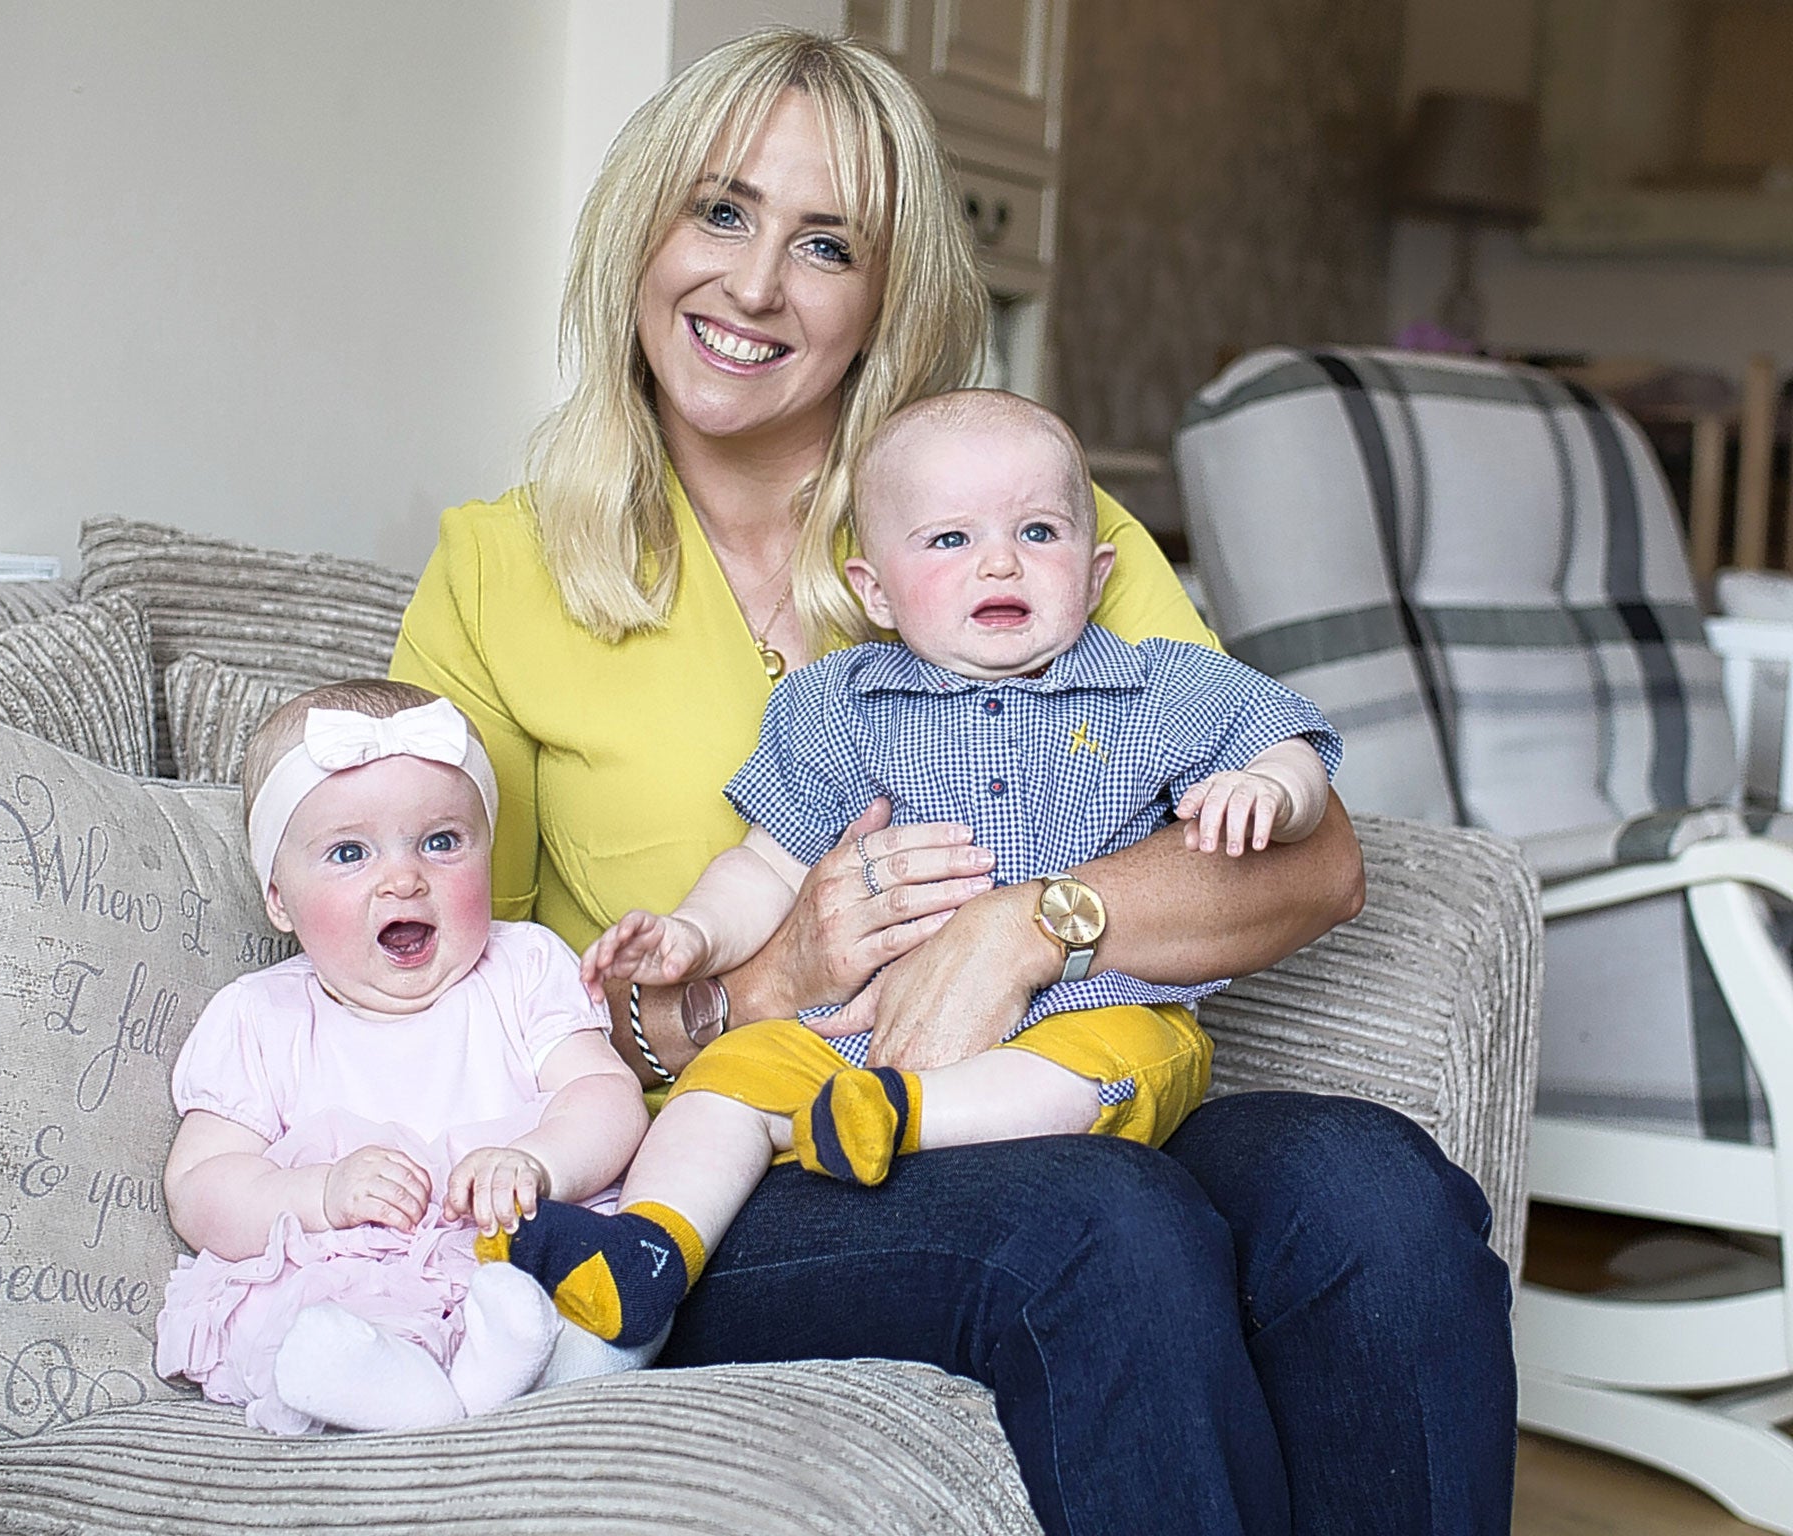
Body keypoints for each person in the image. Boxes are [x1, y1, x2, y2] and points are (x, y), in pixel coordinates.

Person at [392, 28, 1514, 1536]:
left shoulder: (1021, 516)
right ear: (640, 229)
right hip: (729, 1156)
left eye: (825, 244)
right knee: (1100, 1229)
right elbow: (439, 995)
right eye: (718, 212)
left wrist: (1029, 925)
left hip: (1059, 1071)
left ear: (883, 298)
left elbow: (1316, 867)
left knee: (1376, 1193)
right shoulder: (495, 574)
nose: (752, 285)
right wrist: (749, 986)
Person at [482, 388, 1340, 1348]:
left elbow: (1291, 741)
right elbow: (768, 864)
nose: (1001, 560)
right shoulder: (844, 709)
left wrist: (1270, 789)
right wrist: (693, 935)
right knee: (730, 1077)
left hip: (1084, 1026)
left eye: (1039, 532)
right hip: (862, 1042)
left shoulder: (1156, 688)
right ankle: (649, 1247)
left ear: (1096, 574)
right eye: (948, 542)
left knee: (1095, 1074)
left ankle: (906, 1117)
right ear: (874, 592)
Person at [154, 679, 652, 1435]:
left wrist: (538, 1161)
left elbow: (605, 1094)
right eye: (349, 852)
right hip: (352, 1282)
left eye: (442, 842)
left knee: (608, 1295)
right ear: (279, 900)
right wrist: (318, 1196)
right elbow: (198, 1185)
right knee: (302, 1326)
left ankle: (508, 1366)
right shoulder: (258, 1018)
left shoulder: (523, 970)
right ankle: (400, 1384)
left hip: (504, 1256)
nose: (403, 877)